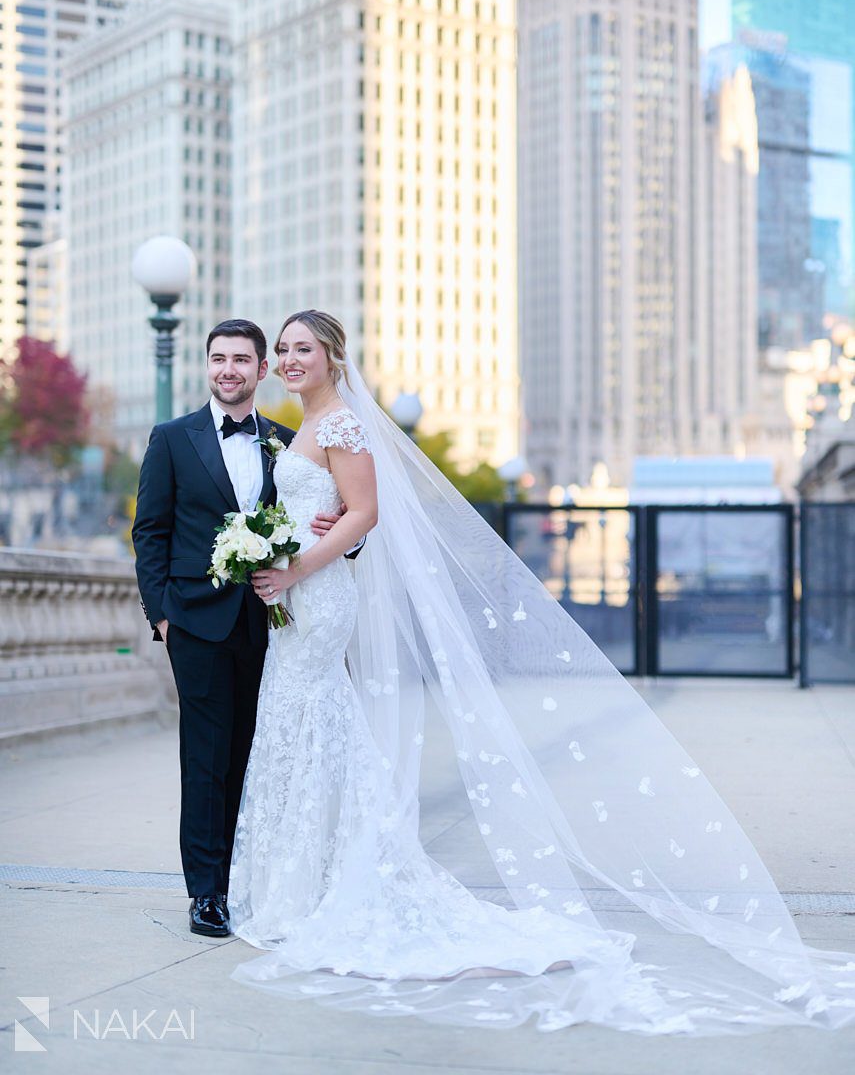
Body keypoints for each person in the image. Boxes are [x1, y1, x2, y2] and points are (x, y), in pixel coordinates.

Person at [226, 309, 855, 1035]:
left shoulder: (341, 425)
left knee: (313, 715)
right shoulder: (300, 426)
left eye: (304, 348)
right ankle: (301, 880)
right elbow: (325, 510)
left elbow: (364, 513)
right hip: (297, 592)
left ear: (334, 358)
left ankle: (329, 877)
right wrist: (275, 554)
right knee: (301, 718)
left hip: (319, 593)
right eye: (284, 349)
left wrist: (295, 566)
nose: (290, 357)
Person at [132, 319, 358, 938]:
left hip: (274, 623)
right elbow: (149, 532)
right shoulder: (171, 438)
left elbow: (337, 522)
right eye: (218, 359)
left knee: (255, 758)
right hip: (196, 624)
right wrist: (162, 617)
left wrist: (335, 522)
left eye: (241, 360)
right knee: (204, 759)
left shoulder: (290, 444)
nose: (228, 370)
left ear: (262, 371)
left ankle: (248, 880)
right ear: (207, 367)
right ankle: (207, 893)